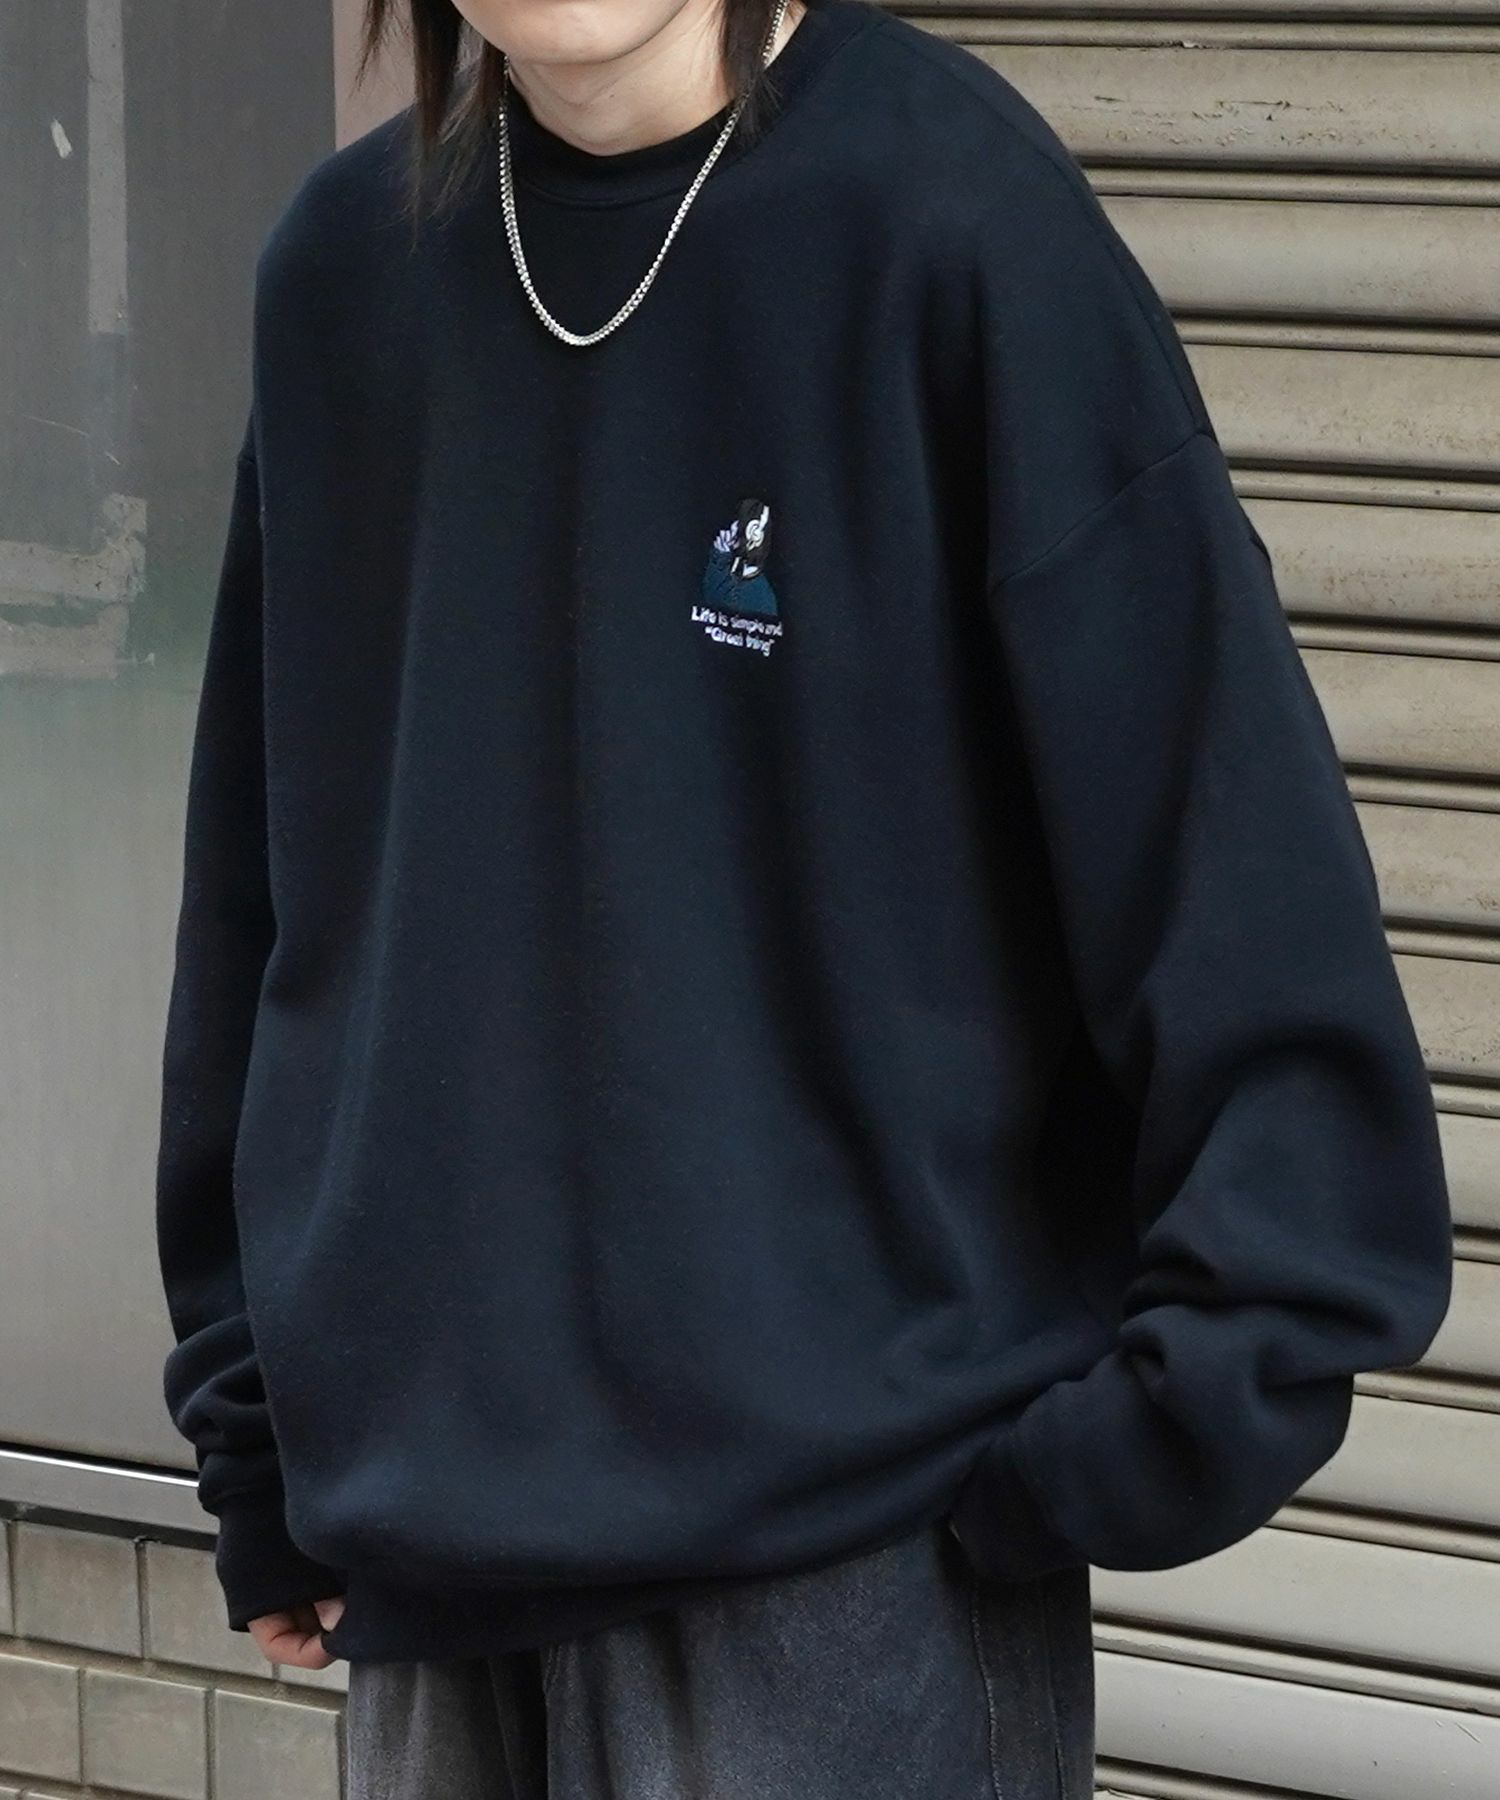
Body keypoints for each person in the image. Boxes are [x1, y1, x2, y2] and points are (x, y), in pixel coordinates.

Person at [152, 0, 1455, 1793]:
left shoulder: (948, 219)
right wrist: (256, 1428)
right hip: (437, 1587)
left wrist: (1152, 1428)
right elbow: (265, 897)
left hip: (849, 1595)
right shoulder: (344, 276)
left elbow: (1224, 863)